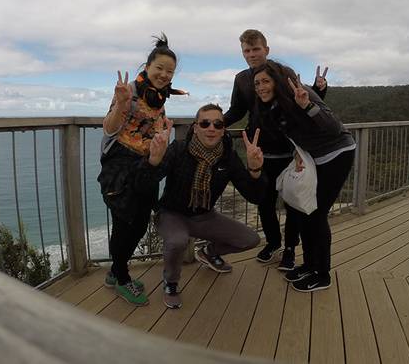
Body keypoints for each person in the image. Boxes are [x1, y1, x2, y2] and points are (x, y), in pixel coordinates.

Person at [140, 104, 265, 309]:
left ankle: (209, 252)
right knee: (177, 241)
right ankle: (170, 283)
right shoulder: (179, 149)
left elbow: (256, 196)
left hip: (204, 216)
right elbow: (144, 184)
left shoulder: (228, 157)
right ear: (195, 127)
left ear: (223, 129)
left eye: (218, 124)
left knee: (251, 239)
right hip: (172, 214)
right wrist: (153, 160)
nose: (211, 128)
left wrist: (255, 169)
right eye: (205, 123)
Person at [223, 29, 328, 271]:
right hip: (261, 151)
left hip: (289, 151)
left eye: (255, 49)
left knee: (292, 203)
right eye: (246, 51)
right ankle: (273, 243)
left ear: (266, 50)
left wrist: (319, 89)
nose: (251, 54)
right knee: (264, 202)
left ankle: (290, 248)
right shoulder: (241, 79)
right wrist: (216, 123)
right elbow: (237, 111)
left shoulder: (284, 73)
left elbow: (302, 101)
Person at [97, 34, 187, 306]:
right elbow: (110, 128)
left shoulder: (159, 98)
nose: (163, 74)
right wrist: (121, 104)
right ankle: (122, 278)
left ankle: (115, 271)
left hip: (146, 165)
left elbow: (151, 130)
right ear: (147, 67)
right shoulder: (131, 92)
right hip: (121, 165)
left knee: (137, 222)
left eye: (169, 71)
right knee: (127, 223)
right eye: (159, 68)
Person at [252, 59, 355, 292]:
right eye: (257, 83)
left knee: (316, 214)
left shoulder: (300, 93)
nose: (260, 87)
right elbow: (291, 134)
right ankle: (309, 265)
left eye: (265, 81)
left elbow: (332, 127)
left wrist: (307, 105)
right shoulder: (272, 106)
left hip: (337, 153)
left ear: (277, 81)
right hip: (313, 157)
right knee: (304, 211)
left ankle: (322, 274)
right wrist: (297, 153)